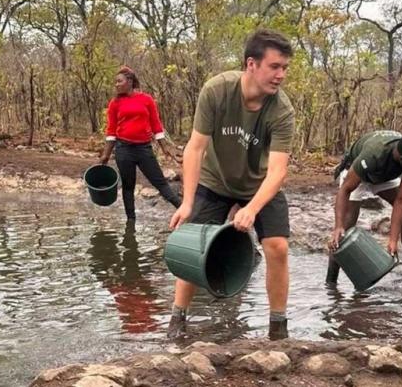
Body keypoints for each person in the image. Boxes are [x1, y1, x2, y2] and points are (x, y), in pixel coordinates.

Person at [167, 29, 295, 340]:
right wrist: (187, 202)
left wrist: (251, 208)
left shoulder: (281, 110)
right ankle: (177, 320)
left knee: (277, 247)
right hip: (215, 179)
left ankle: (278, 328)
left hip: (259, 183)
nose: (280, 75)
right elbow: (195, 148)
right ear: (252, 64)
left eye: (284, 68)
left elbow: (278, 171)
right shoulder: (217, 91)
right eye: (274, 66)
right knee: (194, 244)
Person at [327, 131, 402, 283]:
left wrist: (393, 240)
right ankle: (331, 281)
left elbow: (401, 200)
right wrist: (338, 226)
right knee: (346, 228)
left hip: (383, 174)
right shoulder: (373, 154)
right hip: (357, 170)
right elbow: (346, 190)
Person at [99, 66, 182, 222]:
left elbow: (156, 125)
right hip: (123, 150)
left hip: (144, 149)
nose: (116, 85)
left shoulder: (146, 100)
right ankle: (130, 223)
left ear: (129, 81)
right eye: (115, 82)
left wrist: (165, 147)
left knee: (161, 183)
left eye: (119, 81)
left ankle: (186, 212)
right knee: (128, 187)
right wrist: (105, 155)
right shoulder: (115, 103)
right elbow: (111, 132)